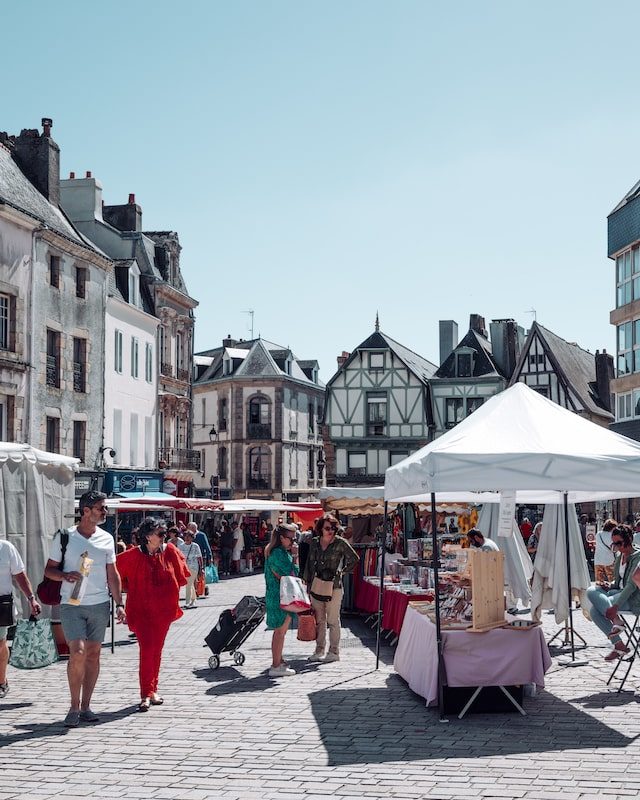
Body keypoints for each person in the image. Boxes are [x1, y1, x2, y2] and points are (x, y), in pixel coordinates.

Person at [44, 491, 125, 727]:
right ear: (86, 511)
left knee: (93, 654)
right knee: (77, 652)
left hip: (99, 603)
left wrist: (119, 604)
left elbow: (113, 573)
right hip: (71, 603)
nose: (105, 512)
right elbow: (49, 570)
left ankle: (87, 705)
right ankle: (73, 705)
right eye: (101, 508)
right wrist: (64, 575)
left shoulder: (107, 538)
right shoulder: (64, 537)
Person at [116, 518, 191, 710]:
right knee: (147, 649)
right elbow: (114, 574)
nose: (164, 537)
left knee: (156, 650)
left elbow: (182, 576)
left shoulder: (170, 551)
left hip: (163, 611)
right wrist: (120, 600)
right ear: (148, 536)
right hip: (141, 611)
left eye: (164, 533)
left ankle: (153, 690)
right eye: (160, 534)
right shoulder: (132, 555)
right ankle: (145, 693)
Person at [304, 513, 358, 663]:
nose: (331, 531)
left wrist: (342, 571)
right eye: (327, 528)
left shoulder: (340, 542)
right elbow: (310, 562)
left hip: (334, 586)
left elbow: (354, 559)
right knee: (319, 620)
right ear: (320, 528)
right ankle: (319, 650)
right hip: (317, 585)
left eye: (334, 528)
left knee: (333, 620)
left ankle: (334, 651)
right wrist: (307, 582)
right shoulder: (315, 542)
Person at [586, 525, 640, 661]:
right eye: (614, 544)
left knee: (595, 610)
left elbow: (630, 586)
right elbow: (618, 581)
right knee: (591, 590)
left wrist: (615, 607)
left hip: (632, 597)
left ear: (628, 540)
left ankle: (618, 644)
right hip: (617, 591)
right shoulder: (619, 557)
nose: (616, 547)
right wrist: (608, 585)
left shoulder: (637, 556)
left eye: (619, 543)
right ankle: (618, 632)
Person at [0, 539, 41, 699]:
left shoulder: (5, 548)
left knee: (0, 642)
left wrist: (31, 599)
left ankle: (2, 681)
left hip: (1, 603)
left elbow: (20, 576)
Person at [264, 523, 299, 677]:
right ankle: (276, 665)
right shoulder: (278, 553)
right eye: (290, 538)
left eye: (294, 538)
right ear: (281, 538)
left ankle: (279, 660)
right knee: (280, 631)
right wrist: (296, 556)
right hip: (280, 596)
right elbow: (288, 574)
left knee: (281, 631)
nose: (293, 541)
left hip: (280, 595)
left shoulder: (280, 551)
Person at [177, 530, 203, 609]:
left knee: (188, 584)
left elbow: (199, 557)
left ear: (192, 538)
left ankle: (187, 602)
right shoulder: (181, 546)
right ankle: (193, 600)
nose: (187, 538)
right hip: (184, 567)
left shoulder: (195, 546)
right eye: (186, 536)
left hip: (193, 567)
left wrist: (201, 568)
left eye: (189, 536)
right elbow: (178, 556)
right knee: (190, 584)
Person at [594, 518, 617, 584]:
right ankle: (611, 592)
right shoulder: (611, 536)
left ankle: (598, 593)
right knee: (612, 580)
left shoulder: (598, 534)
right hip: (608, 560)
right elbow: (614, 549)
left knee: (599, 581)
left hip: (598, 560)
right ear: (612, 528)